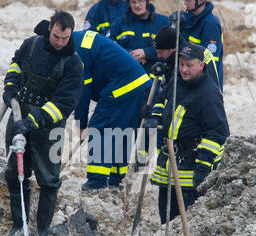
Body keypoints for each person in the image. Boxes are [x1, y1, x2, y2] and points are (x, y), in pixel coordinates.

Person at [0, 11, 84, 236]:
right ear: (50, 30)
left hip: (50, 128)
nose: (59, 42)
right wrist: (11, 86)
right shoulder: (31, 44)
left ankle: (43, 234)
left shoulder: (74, 63)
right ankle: (18, 228)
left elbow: (65, 102)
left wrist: (34, 121)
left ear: (70, 35)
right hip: (19, 116)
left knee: (49, 180)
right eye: (56, 36)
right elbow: (15, 63)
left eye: (64, 38)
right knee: (15, 174)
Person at [147, 44, 229, 224]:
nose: (183, 69)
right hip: (169, 160)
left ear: (201, 65)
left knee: (185, 224)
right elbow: (163, 99)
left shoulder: (209, 95)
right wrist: (155, 116)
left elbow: (217, 134)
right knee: (166, 219)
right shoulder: (177, 81)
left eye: (189, 65)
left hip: (190, 168)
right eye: (181, 64)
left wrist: (202, 167)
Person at [72, 30, 152, 192]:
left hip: (122, 84)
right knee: (121, 131)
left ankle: (97, 182)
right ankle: (116, 178)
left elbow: (83, 89)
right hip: (136, 81)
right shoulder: (79, 38)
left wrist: (81, 122)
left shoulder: (75, 53)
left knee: (101, 128)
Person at [169, 0, 224, 90]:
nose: (185, 3)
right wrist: (173, 26)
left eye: (188, 0)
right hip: (187, 79)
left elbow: (209, 61)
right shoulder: (188, 19)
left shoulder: (210, 24)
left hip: (203, 84)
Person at [109, 0, 169, 78]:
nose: (137, 5)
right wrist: (131, 55)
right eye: (133, 2)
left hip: (155, 82)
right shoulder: (118, 24)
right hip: (127, 80)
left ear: (148, 1)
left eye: (140, 1)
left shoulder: (163, 22)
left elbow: (170, 50)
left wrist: (146, 53)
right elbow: (110, 49)